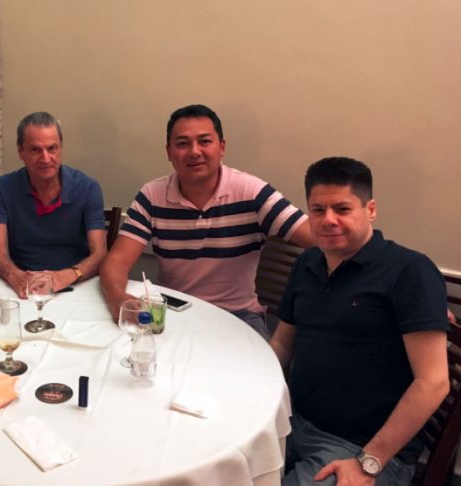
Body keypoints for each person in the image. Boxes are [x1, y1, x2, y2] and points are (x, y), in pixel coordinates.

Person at [270, 157, 449, 485]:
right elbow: (283, 342)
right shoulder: (307, 263)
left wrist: (369, 462)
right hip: (293, 420)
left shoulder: (409, 272)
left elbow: (434, 382)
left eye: (342, 209)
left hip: (360, 448)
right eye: (318, 210)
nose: (329, 220)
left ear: (371, 210)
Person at [100, 104, 314, 339]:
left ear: (221, 147)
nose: (194, 152)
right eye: (182, 144)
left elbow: (317, 238)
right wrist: (118, 299)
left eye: (204, 141)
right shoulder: (152, 196)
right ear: (169, 152)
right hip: (176, 311)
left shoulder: (251, 192)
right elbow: (116, 262)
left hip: (239, 316)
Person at [0, 111, 107, 297]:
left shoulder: (87, 187)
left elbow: (99, 253)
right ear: (20, 151)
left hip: (74, 285)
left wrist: (67, 275)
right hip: (22, 285)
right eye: (35, 150)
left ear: (61, 148)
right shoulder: (1, 188)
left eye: (52, 148)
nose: (45, 158)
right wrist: (15, 276)